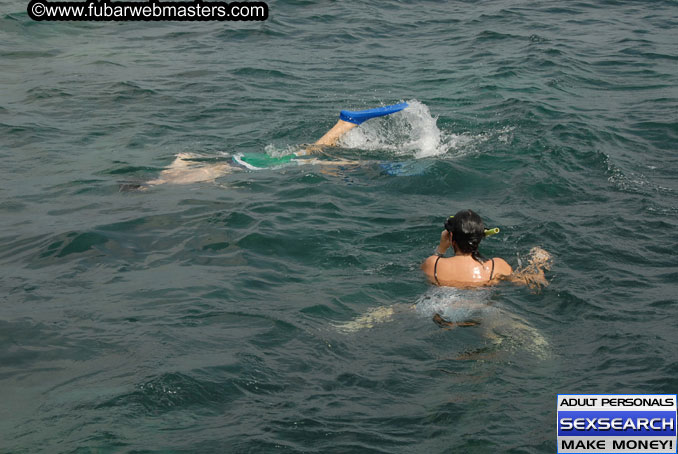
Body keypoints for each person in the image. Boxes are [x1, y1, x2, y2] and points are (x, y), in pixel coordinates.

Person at [421, 209, 551, 327]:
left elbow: (426, 268)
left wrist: (441, 248)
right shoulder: (496, 267)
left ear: (450, 237)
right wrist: (538, 264)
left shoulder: (433, 264)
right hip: (479, 313)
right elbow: (531, 283)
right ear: (480, 238)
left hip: (439, 311)